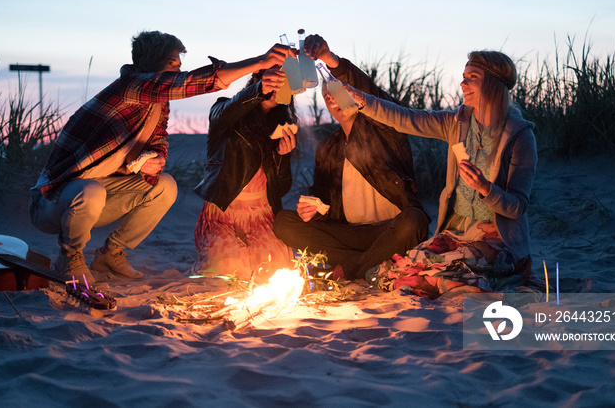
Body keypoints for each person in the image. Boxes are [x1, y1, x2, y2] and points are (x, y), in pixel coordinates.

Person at [29, 30, 295, 284]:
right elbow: (192, 84)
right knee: (90, 190)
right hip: (54, 199)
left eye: (180, 63)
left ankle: (111, 254)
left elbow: (158, 144)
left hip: (101, 193)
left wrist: (151, 158)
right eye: (172, 63)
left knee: (165, 185)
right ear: (151, 65)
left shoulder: (158, 103)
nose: (178, 70)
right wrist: (260, 62)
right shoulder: (130, 86)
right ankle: (70, 257)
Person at [346, 50, 538, 297]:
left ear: (492, 82)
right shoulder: (456, 122)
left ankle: (461, 283)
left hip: (496, 240)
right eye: (463, 76)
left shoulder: (520, 136)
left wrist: (485, 188)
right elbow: (406, 118)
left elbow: (518, 206)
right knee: (409, 262)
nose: (462, 83)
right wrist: (363, 101)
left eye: (472, 77)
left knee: (461, 263)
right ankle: (451, 284)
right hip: (455, 234)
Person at [273, 35, 430, 280]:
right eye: (327, 96)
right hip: (349, 234)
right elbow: (322, 198)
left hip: (391, 228)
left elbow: (375, 95)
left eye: (337, 91)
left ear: (355, 94)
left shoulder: (384, 127)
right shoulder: (327, 148)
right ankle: (373, 260)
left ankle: (351, 268)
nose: (332, 99)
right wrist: (312, 207)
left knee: (415, 219)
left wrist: (329, 58)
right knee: (284, 222)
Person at [192, 68, 298, 281]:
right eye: (271, 81)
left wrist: (281, 156)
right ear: (256, 81)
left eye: (283, 84)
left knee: (272, 268)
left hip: (261, 214)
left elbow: (281, 188)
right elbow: (222, 113)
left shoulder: (281, 125)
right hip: (224, 212)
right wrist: (259, 91)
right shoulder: (225, 112)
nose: (276, 87)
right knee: (227, 265)